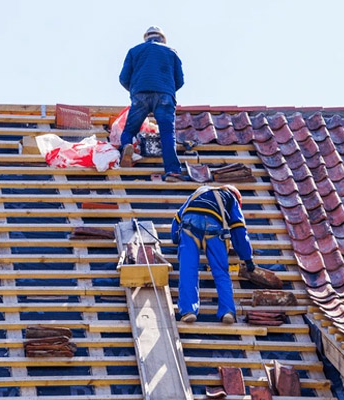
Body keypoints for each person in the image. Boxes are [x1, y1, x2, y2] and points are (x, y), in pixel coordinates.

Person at [171, 185, 256, 324]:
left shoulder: (198, 193)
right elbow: (238, 228)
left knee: (187, 270)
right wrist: (247, 258)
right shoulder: (231, 198)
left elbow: (177, 220)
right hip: (214, 228)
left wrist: (176, 239)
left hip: (188, 226)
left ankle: (188, 311)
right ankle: (227, 311)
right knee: (221, 272)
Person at [119, 26, 187, 182]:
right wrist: (167, 91)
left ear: (146, 38)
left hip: (140, 95)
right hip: (165, 96)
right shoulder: (171, 52)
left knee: (129, 130)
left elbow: (123, 78)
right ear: (162, 38)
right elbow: (180, 80)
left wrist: (136, 91)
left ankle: (126, 149)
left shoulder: (134, 51)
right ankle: (172, 172)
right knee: (167, 133)